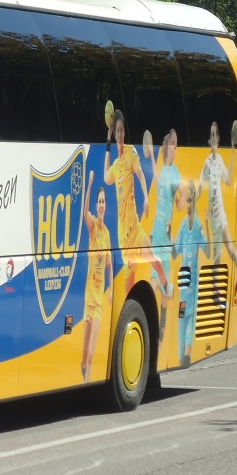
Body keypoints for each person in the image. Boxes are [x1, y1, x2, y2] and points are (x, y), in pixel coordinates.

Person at [104, 109, 169, 300]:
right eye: (117, 131)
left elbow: (141, 175)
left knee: (155, 260)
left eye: (122, 130)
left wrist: (147, 198)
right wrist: (107, 143)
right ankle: (130, 306)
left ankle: (167, 288)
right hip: (123, 234)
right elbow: (105, 177)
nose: (120, 135)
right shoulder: (115, 165)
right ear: (114, 134)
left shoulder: (131, 152)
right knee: (128, 280)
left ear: (125, 132)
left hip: (134, 226)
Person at [148, 129, 183, 340]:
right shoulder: (164, 170)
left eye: (176, 144)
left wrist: (179, 204)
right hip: (156, 231)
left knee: (161, 283)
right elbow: (158, 177)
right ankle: (157, 326)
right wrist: (152, 156)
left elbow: (183, 194)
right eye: (171, 143)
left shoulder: (176, 172)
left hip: (165, 235)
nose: (174, 147)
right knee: (155, 279)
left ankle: (160, 325)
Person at [173, 181, 209, 366]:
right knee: (188, 317)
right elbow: (208, 251)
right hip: (189, 279)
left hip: (184, 280)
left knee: (183, 317)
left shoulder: (186, 225)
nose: (188, 205)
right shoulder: (196, 225)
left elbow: (175, 252)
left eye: (188, 201)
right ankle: (185, 354)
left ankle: (182, 355)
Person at [199, 121, 237, 273]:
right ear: (209, 140)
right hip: (212, 216)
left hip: (220, 212)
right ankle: (216, 290)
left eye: (214, 135)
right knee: (217, 256)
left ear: (218, 138)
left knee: (230, 248)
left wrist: (232, 152)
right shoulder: (207, 163)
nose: (212, 138)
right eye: (210, 136)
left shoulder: (220, 161)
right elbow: (200, 186)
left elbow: (229, 180)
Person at [82, 170, 113, 382]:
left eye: (103, 202)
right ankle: (84, 369)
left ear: (106, 206)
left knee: (92, 354)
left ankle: (88, 383)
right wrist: (90, 184)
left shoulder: (107, 233)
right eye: (98, 202)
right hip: (88, 301)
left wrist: (110, 289)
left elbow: (111, 263)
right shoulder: (93, 227)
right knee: (84, 356)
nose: (101, 205)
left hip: (99, 302)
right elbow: (84, 212)